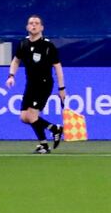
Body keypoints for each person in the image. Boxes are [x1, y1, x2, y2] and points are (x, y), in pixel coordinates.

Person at [5, 15, 66, 154]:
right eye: (31, 23)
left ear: (41, 27)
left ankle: (44, 145)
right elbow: (16, 61)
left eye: (37, 23)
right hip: (30, 84)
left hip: (44, 84)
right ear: (27, 27)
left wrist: (61, 88)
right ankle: (54, 129)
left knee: (32, 115)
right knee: (24, 117)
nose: (34, 25)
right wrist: (11, 76)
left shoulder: (47, 46)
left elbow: (58, 67)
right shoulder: (23, 44)